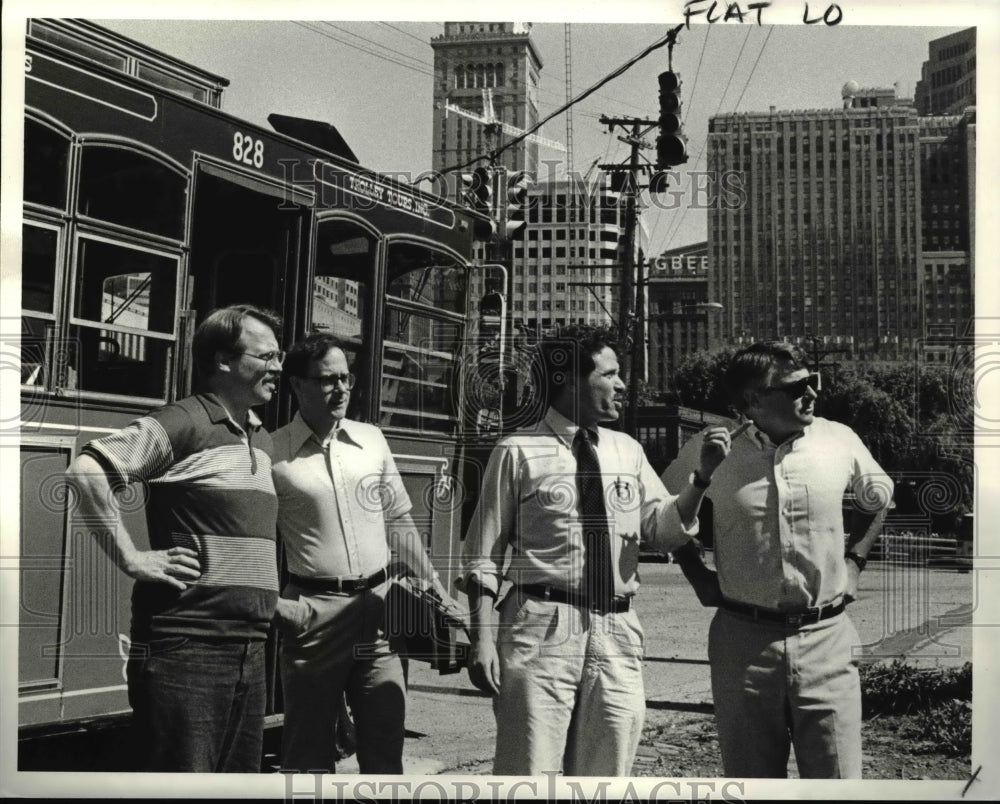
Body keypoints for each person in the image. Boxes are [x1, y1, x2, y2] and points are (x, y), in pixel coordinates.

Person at [461, 324, 733, 776]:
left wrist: (701, 479)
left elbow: (661, 531)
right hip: (540, 629)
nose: (622, 384)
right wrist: (482, 640)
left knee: (608, 775)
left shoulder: (627, 451)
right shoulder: (517, 451)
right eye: (610, 373)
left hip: (617, 629)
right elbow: (483, 557)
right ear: (569, 378)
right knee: (529, 775)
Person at [65, 304, 284, 772]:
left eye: (278, 356)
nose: (278, 367)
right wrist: (132, 559)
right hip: (189, 652)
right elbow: (87, 471)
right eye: (266, 357)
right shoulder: (184, 421)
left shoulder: (260, 439)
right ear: (223, 360)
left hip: (249, 649)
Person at [661, 341, 894, 778]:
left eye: (813, 382)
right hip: (743, 644)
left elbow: (879, 499)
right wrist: (697, 575)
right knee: (752, 783)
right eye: (797, 387)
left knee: (838, 783)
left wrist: (855, 563)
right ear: (753, 400)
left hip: (827, 638)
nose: (812, 393)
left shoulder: (838, 439)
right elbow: (661, 513)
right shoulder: (711, 448)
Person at [271, 332, 457, 774]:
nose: (341, 389)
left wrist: (437, 588)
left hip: (379, 612)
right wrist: (277, 606)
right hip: (314, 616)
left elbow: (399, 523)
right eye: (327, 380)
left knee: (384, 744)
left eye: (346, 378)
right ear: (297, 386)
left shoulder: (371, 440)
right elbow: (254, 539)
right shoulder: (271, 453)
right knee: (309, 753)